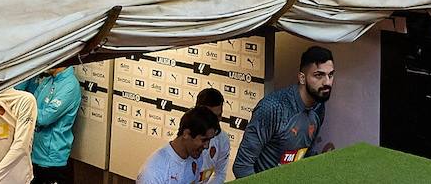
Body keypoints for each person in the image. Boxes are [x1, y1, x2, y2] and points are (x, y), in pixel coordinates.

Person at [232, 46, 334, 177]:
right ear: (302, 78)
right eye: (319, 75)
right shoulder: (272, 108)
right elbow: (242, 166)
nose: (327, 82)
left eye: (330, 75)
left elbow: (306, 153)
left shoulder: (319, 106)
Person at [21, 67, 81, 184]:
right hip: (34, 155)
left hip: (53, 161)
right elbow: (32, 105)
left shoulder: (70, 85)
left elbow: (44, 118)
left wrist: (22, 111)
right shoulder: (48, 80)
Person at [136, 108, 221, 184]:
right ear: (186, 134)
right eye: (204, 140)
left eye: (209, 140)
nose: (206, 146)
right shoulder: (153, 173)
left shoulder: (197, 157)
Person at [194, 88, 232, 183]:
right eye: (213, 117)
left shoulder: (222, 139)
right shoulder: (185, 140)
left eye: (220, 115)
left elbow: (220, 174)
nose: (218, 120)